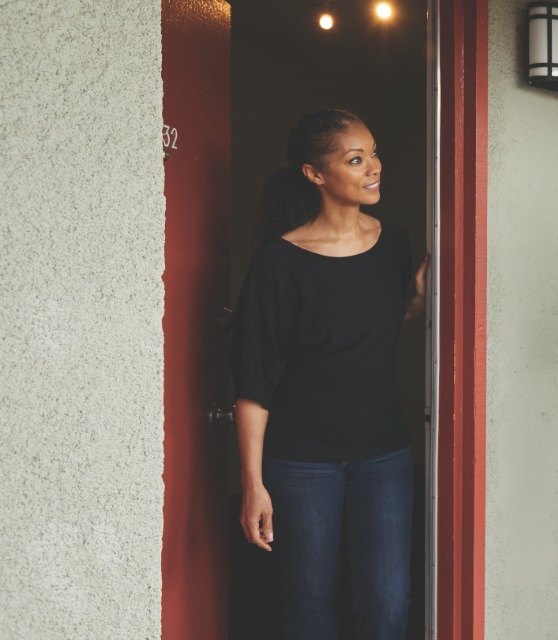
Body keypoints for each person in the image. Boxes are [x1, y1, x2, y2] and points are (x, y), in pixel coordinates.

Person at [232, 108, 428, 639]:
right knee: (309, 604)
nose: (374, 168)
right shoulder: (279, 263)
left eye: (374, 153)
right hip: (300, 462)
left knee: (388, 604)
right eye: (356, 159)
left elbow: (366, 327)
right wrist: (254, 485)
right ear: (315, 174)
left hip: (383, 455)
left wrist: (418, 298)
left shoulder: (394, 243)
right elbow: (254, 382)